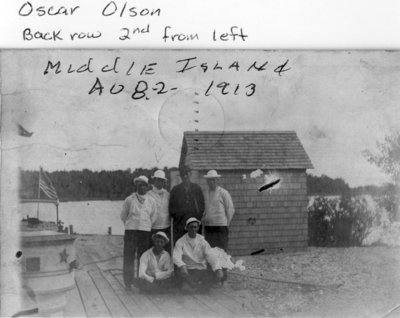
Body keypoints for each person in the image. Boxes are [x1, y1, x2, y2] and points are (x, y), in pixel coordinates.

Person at [120, 175, 157, 290]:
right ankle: (128, 282)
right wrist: (131, 225)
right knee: (129, 256)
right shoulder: (129, 199)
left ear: (147, 187)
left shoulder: (151, 201)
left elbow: (153, 217)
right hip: (131, 231)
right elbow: (123, 216)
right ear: (136, 185)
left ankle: (141, 282)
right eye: (139, 184)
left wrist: (145, 225)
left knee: (143, 257)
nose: (142, 187)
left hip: (144, 232)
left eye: (144, 185)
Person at [173, 217, 223, 293]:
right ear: (187, 228)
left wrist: (218, 269)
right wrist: (181, 266)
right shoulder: (181, 241)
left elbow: (211, 255)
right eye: (191, 227)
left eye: (195, 227)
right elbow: (176, 256)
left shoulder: (202, 241)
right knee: (184, 285)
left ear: (197, 228)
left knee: (216, 275)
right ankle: (198, 287)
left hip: (200, 270)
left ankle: (195, 287)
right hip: (188, 270)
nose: (193, 229)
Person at [203, 170, 235, 283]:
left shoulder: (223, 193)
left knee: (221, 251)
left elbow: (230, 210)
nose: (211, 182)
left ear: (217, 180)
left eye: (213, 179)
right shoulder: (206, 193)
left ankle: (223, 277)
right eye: (209, 180)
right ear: (207, 181)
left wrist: (225, 224)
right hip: (209, 227)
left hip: (221, 227)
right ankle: (213, 276)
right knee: (211, 252)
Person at [169, 166, 205, 244]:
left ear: (190, 174)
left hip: (193, 223)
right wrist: (179, 218)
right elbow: (171, 208)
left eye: (186, 174)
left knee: (195, 246)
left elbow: (202, 206)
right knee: (180, 246)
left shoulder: (197, 188)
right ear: (181, 176)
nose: (185, 176)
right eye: (183, 175)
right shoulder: (175, 190)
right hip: (180, 224)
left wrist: (197, 219)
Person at [147, 170, 171, 253]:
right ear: (154, 181)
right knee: (152, 251)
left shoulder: (167, 194)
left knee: (166, 252)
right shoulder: (148, 194)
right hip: (153, 228)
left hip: (166, 227)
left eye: (162, 181)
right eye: (158, 180)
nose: (160, 183)